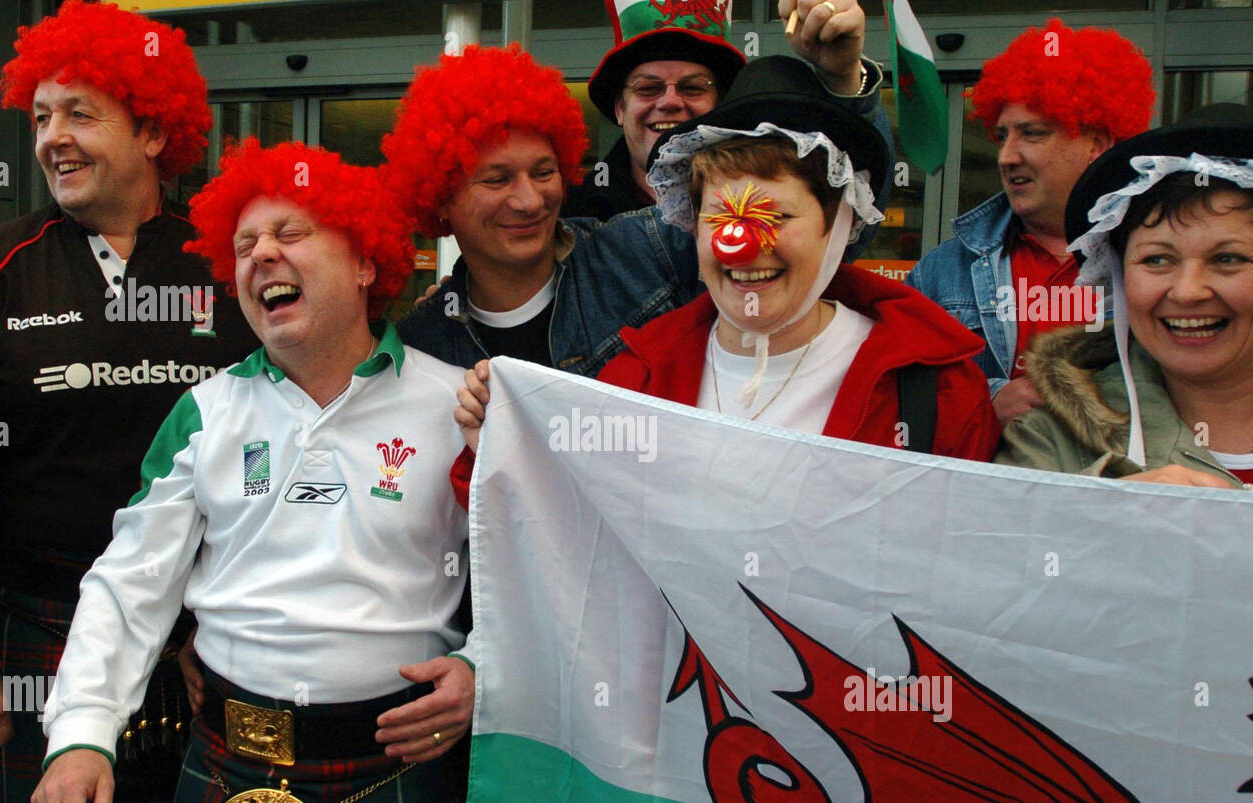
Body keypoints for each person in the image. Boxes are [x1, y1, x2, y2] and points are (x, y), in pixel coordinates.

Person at [30, 140, 474, 803]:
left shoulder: (458, 403)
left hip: (400, 774)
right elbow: (129, 584)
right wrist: (81, 731)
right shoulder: (204, 413)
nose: (262, 253)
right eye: (244, 245)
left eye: (291, 233)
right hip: (225, 762)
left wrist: (481, 666)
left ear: (366, 263)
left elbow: (532, 575)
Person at [0, 0, 256, 803]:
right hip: (28, 638)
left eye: (81, 113)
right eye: (43, 115)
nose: (53, 138)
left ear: (155, 130)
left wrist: (221, 621)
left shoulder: (228, 259)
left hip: (202, 647)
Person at [454, 56, 1000, 471]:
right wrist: (498, 453)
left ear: (839, 226)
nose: (743, 244)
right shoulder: (632, 381)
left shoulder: (936, 391)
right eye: (721, 216)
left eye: (776, 216)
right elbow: (575, 542)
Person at [387, 39, 885, 379]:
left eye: (543, 172)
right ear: (440, 197)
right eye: (497, 180)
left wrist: (845, 87)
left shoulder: (649, 248)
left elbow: (835, 235)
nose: (530, 199)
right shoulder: (423, 338)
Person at [905, 20, 1154, 426]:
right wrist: (985, 404)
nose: (1006, 156)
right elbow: (899, 387)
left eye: (1032, 134)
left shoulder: (1153, 261)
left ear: (1098, 144)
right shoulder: (945, 270)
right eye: (1002, 135)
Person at [994, 104, 1253, 489]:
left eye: (1227, 258)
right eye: (1157, 259)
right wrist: (1114, 517)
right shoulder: (1050, 440)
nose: (1187, 291)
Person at [565, 0, 886, 221]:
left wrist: (843, 77)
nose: (670, 101)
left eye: (693, 87)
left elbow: (855, 206)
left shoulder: (775, 200)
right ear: (620, 109)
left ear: (721, 103)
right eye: (648, 88)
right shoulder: (569, 213)